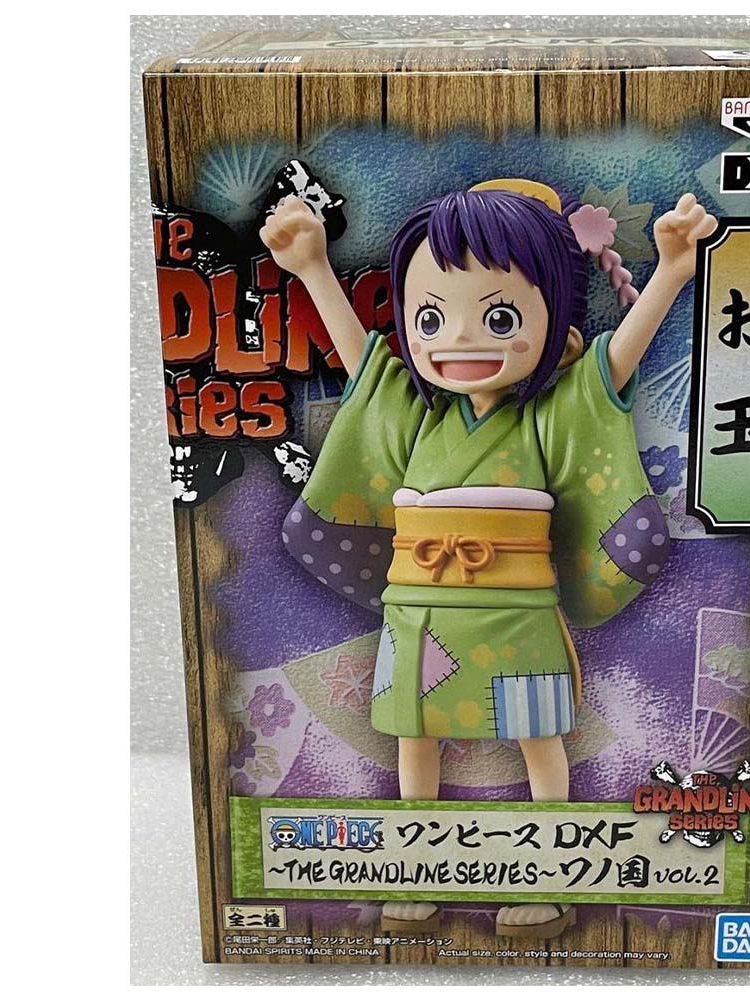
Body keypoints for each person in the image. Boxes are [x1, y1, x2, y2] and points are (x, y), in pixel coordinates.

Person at [263, 179, 716, 938]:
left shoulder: (547, 415)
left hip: (517, 610)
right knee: (415, 737)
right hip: (420, 609)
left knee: (538, 736)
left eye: (500, 317)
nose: (459, 341)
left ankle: (548, 878)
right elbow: (364, 367)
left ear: (556, 326)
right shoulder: (417, 415)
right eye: (430, 318)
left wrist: (670, 271)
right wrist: (311, 268)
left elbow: (614, 365)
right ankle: (417, 873)